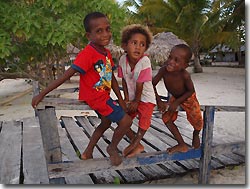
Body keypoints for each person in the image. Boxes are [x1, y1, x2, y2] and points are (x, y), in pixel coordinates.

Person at [31, 12, 132, 166]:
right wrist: (42, 94)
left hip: (104, 96)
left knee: (105, 122)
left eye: (108, 29)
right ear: (88, 35)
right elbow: (65, 76)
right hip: (96, 97)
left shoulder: (106, 53)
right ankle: (112, 148)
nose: (106, 34)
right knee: (126, 121)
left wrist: (120, 98)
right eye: (99, 31)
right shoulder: (87, 54)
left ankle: (87, 152)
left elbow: (110, 76)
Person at [152, 44, 203, 154]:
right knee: (166, 118)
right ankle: (181, 143)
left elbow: (191, 91)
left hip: (188, 98)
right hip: (174, 97)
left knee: (197, 119)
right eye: (170, 57)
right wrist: (158, 100)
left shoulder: (185, 75)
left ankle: (196, 133)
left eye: (176, 60)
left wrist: (177, 102)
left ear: (184, 65)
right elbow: (152, 85)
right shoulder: (163, 70)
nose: (171, 61)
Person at [117, 24, 156, 158]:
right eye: (134, 43)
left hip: (145, 98)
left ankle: (136, 142)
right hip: (133, 97)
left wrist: (136, 101)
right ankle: (136, 143)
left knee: (144, 118)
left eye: (142, 44)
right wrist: (126, 99)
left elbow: (140, 84)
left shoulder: (145, 61)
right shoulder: (122, 60)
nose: (138, 47)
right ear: (125, 45)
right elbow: (123, 80)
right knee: (122, 118)